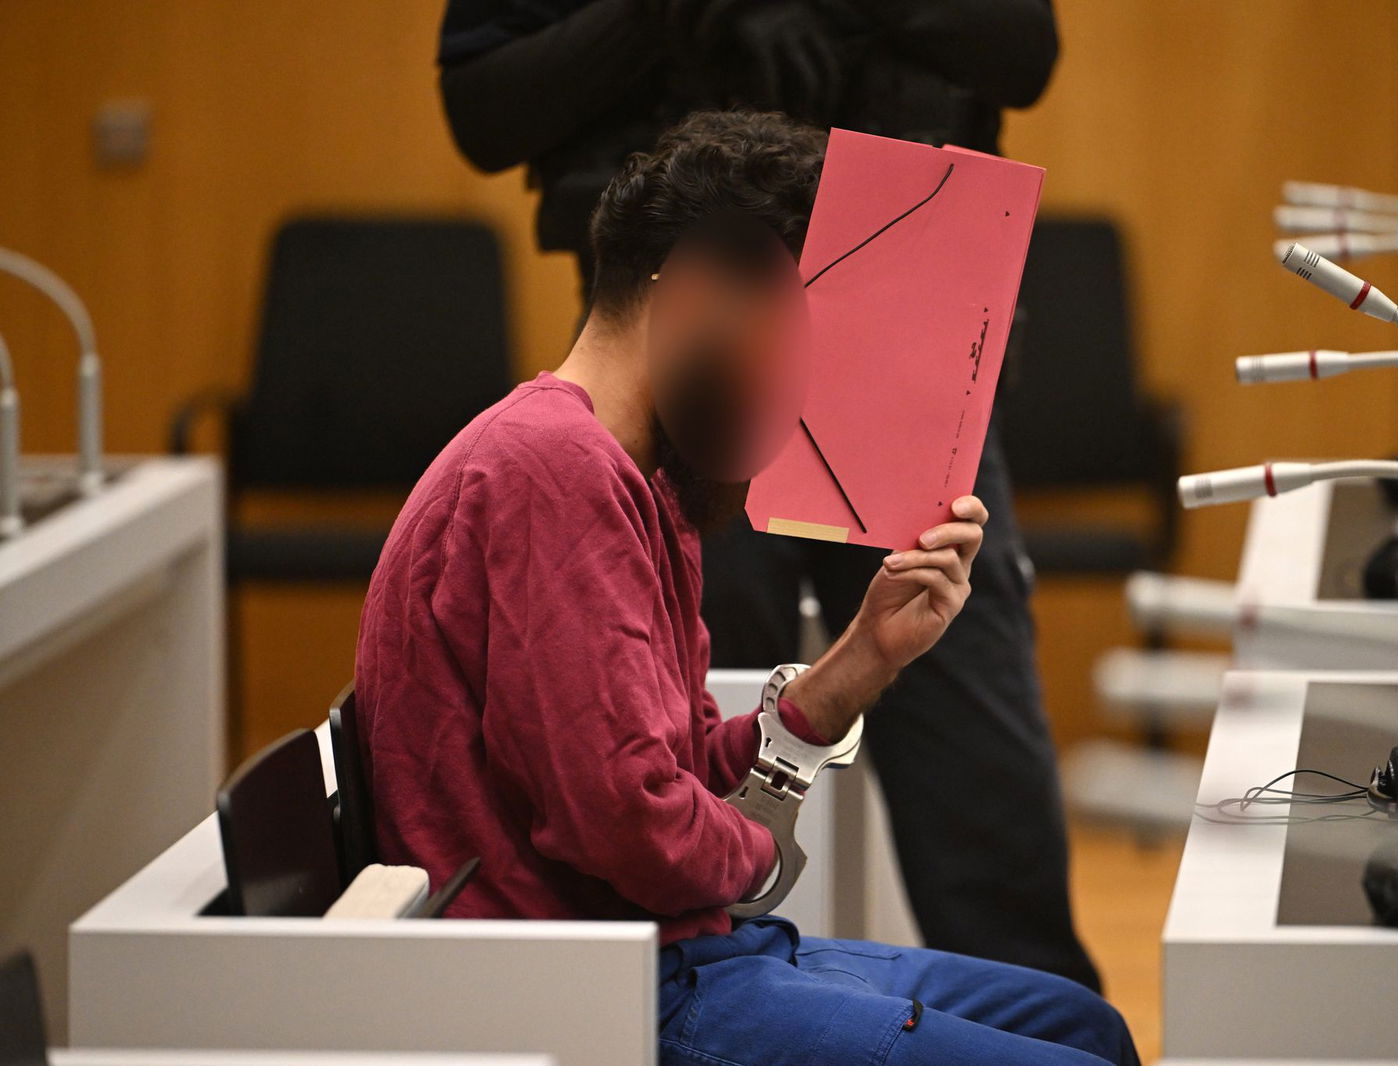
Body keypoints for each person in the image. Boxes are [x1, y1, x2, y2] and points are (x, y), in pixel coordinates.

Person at [355, 110, 1134, 1065]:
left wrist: (864, 657)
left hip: (687, 954)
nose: (797, 390)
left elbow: (676, 765)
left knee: (1086, 1026)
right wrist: (758, 854)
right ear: (692, 293)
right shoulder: (552, 469)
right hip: (614, 990)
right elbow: (629, 820)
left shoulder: (635, 476)